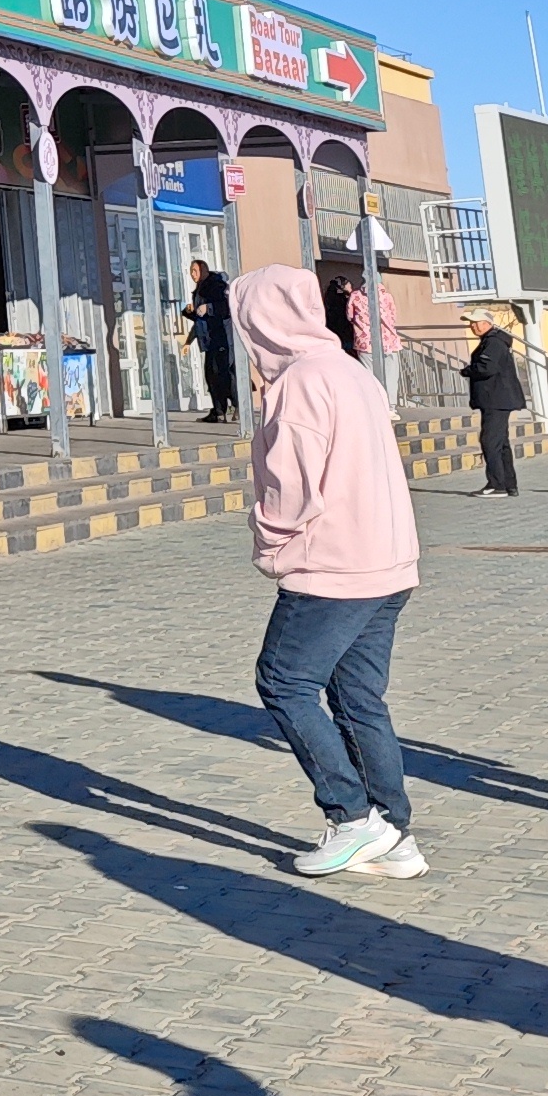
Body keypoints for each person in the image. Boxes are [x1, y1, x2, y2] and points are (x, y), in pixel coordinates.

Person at [243, 264, 426, 877]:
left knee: (284, 681)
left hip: (334, 565)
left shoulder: (298, 383)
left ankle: (350, 817)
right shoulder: (352, 370)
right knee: (357, 696)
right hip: (387, 561)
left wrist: (270, 541)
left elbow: (291, 485)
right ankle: (393, 833)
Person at [461, 308, 526, 498]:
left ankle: (496, 485)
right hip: (496, 399)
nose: (473, 326)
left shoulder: (494, 342)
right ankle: (508, 484)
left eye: (477, 322)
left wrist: (468, 370)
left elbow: (486, 367)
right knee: (500, 443)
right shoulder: (492, 341)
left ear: (487, 323)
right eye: (471, 323)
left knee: (490, 442)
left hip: (496, 399)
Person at [185, 260, 240, 424]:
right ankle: (218, 412)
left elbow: (225, 309)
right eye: (191, 271)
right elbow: (199, 319)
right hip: (208, 340)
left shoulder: (216, 286)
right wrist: (189, 313)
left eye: (195, 271)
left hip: (221, 337)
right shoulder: (199, 291)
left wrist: (208, 307)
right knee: (211, 376)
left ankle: (238, 406)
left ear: (204, 271)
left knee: (225, 374)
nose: (192, 275)